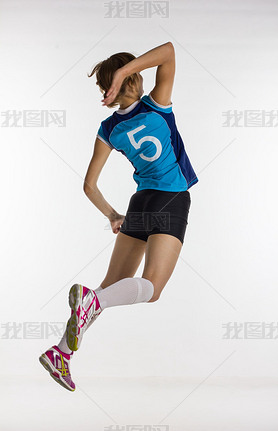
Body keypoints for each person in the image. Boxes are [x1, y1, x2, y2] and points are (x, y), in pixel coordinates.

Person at [39, 41, 198, 391]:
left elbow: (89, 185)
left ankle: (61, 353)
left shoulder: (108, 129)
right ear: (136, 78)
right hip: (171, 200)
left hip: (139, 203)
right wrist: (126, 70)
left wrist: (113, 214)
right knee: (152, 288)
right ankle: (91, 302)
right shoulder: (157, 107)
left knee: (111, 289)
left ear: (107, 88)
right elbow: (169, 51)